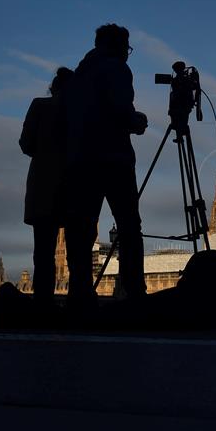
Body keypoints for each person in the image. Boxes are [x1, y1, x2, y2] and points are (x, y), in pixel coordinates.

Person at [64, 24, 148, 312]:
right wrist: (138, 121)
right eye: (127, 47)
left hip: (79, 160)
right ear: (118, 46)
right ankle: (136, 293)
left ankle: (79, 294)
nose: (128, 53)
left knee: (82, 228)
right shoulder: (116, 69)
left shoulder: (79, 75)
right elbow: (120, 110)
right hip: (113, 158)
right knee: (129, 226)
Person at [19, 67, 72, 308]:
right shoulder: (79, 112)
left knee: (43, 252)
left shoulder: (39, 105)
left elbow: (25, 144)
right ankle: (79, 304)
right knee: (78, 252)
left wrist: (44, 154)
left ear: (53, 88)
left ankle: (43, 303)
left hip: (43, 183)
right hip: (75, 184)